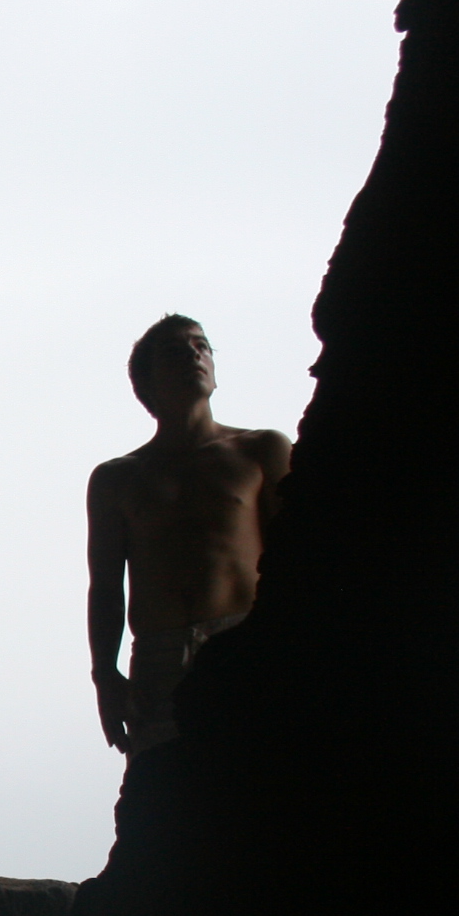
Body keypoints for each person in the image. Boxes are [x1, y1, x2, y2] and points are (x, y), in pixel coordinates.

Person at [86, 315, 289, 756]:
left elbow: (301, 552)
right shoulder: (116, 479)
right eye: (176, 351)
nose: (194, 355)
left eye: (202, 346)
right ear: (147, 381)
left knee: (265, 778)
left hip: (247, 639)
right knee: (167, 792)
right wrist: (104, 674)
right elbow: (105, 586)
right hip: (161, 658)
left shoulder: (260, 450)